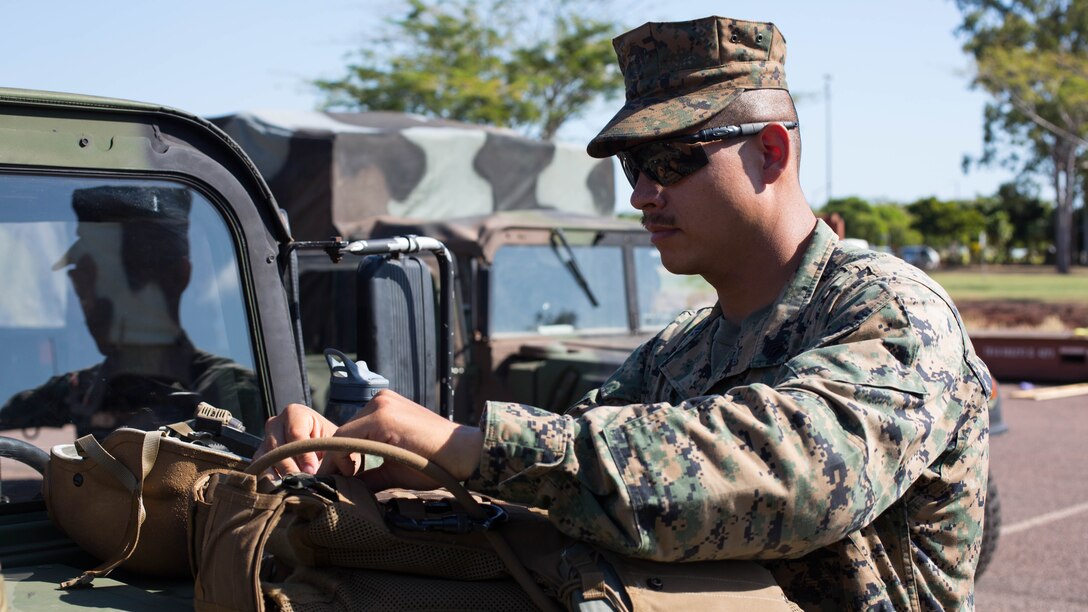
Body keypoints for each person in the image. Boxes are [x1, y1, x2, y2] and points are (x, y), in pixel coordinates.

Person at [256, 16, 992, 610]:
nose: (642, 193)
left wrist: (473, 446)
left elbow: (801, 474)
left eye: (673, 159)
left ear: (771, 151)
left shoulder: (892, 311)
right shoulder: (683, 350)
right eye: (632, 166)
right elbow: (572, 486)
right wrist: (384, 457)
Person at [0, 185, 260, 439]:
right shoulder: (83, 389)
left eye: (106, 280)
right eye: (81, 283)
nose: (89, 302)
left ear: (177, 277)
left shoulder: (238, 396)